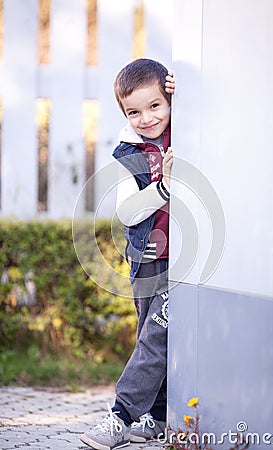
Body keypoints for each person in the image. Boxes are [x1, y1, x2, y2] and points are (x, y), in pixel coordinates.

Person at [80, 58, 175, 450]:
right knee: (150, 336)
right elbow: (127, 211)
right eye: (134, 111)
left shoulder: (189, 130)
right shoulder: (127, 154)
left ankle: (121, 416)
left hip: (183, 260)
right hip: (146, 259)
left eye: (155, 105)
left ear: (169, 101)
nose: (147, 118)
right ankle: (156, 414)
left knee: (156, 335)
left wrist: (185, 91)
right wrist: (163, 188)